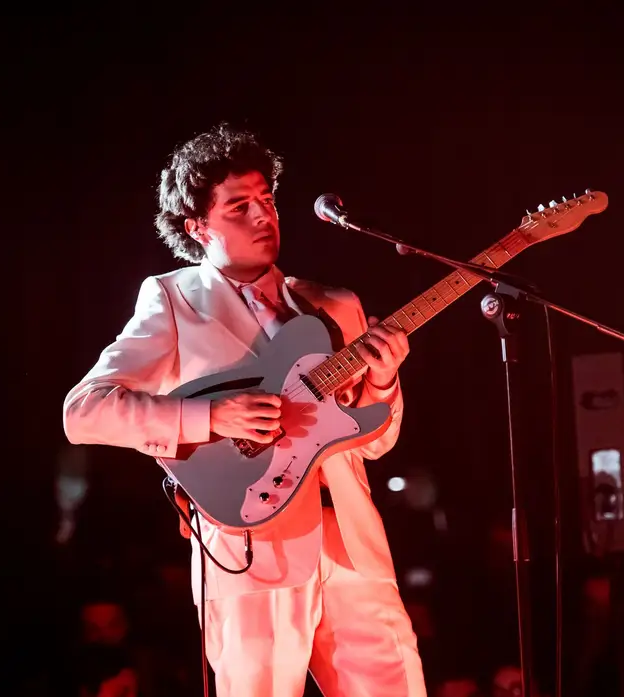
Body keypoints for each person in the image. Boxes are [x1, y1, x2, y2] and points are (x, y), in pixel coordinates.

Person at [63, 124, 426, 696]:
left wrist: (382, 380)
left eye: (268, 200)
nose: (263, 216)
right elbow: (84, 412)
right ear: (198, 227)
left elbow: (374, 441)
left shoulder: (335, 303)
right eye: (239, 206)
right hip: (254, 547)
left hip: (353, 541)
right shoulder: (173, 300)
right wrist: (211, 417)